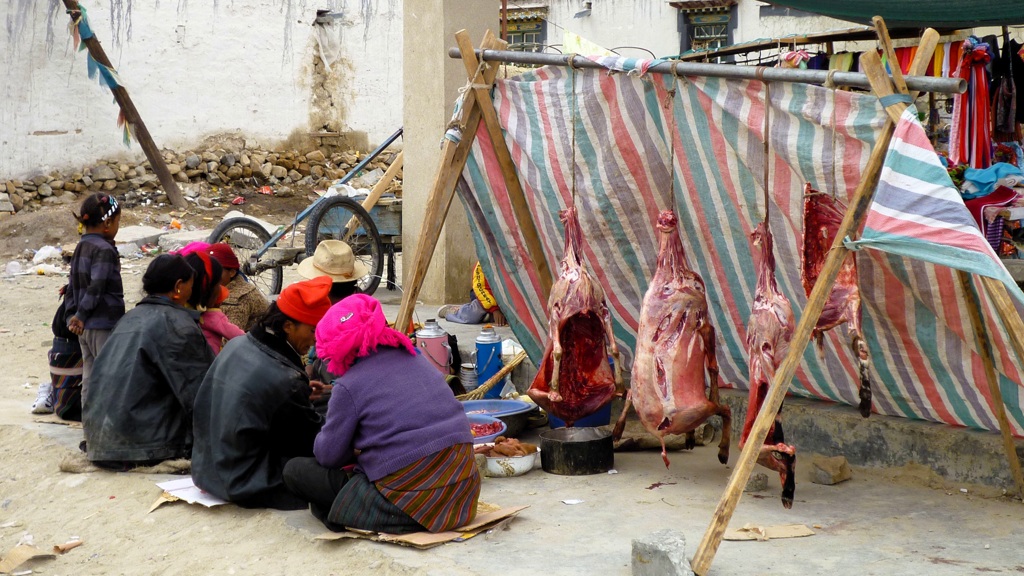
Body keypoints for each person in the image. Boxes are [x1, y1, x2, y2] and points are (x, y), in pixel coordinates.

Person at [283, 294, 481, 534]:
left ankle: (350, 514)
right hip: (463, 492)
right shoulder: (416, 358)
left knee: (295, 470)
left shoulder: (348, 386)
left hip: (412, 501)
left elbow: (328, 457)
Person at [191, 276, 333, 510]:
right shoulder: (284, 378)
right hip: (245, 481)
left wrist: (299, 395)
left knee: (324, 402)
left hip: (207, 469)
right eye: (312, 331)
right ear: (288, 326)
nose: (316, 339)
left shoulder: (238, 344)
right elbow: (312, 445)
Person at [82, 254, 215, 470]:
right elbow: (202, 394)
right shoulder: (178, 324)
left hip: (100, 440)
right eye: (191, 284)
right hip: (143, 444)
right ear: (178, 287)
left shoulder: (129, 318)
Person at [63, 193, 125, 410]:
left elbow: (72, 286)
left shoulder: (81, 246)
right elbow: (97, 286)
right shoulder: (104, 250)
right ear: (107, 223)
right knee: (109, 378)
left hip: (85, 328)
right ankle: (105, 431)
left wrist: (73, 315)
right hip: (102, 324)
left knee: (89, 377)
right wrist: (80, 315)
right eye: (118, 222)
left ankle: (89, 430)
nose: (118, 226)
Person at [297, 239, 369, 413]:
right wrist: (311, 364)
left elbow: (363, 377)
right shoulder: (323, 311)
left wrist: (329, 389)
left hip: (348, 395)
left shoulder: (359, 319)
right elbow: (318, 345)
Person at [209, 242, 270, 332]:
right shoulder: (219, 288)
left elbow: (228, 341)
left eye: (216, 271)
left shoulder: (238, 300)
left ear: (232, 272)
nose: (210, 275)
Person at [436, 262, 500, 325]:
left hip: (502, 300)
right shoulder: (484, 261)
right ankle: (456, 311)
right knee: (472, 316)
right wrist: (494, 309)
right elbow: (479, 287)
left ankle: (487, 315)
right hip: (486, 296)